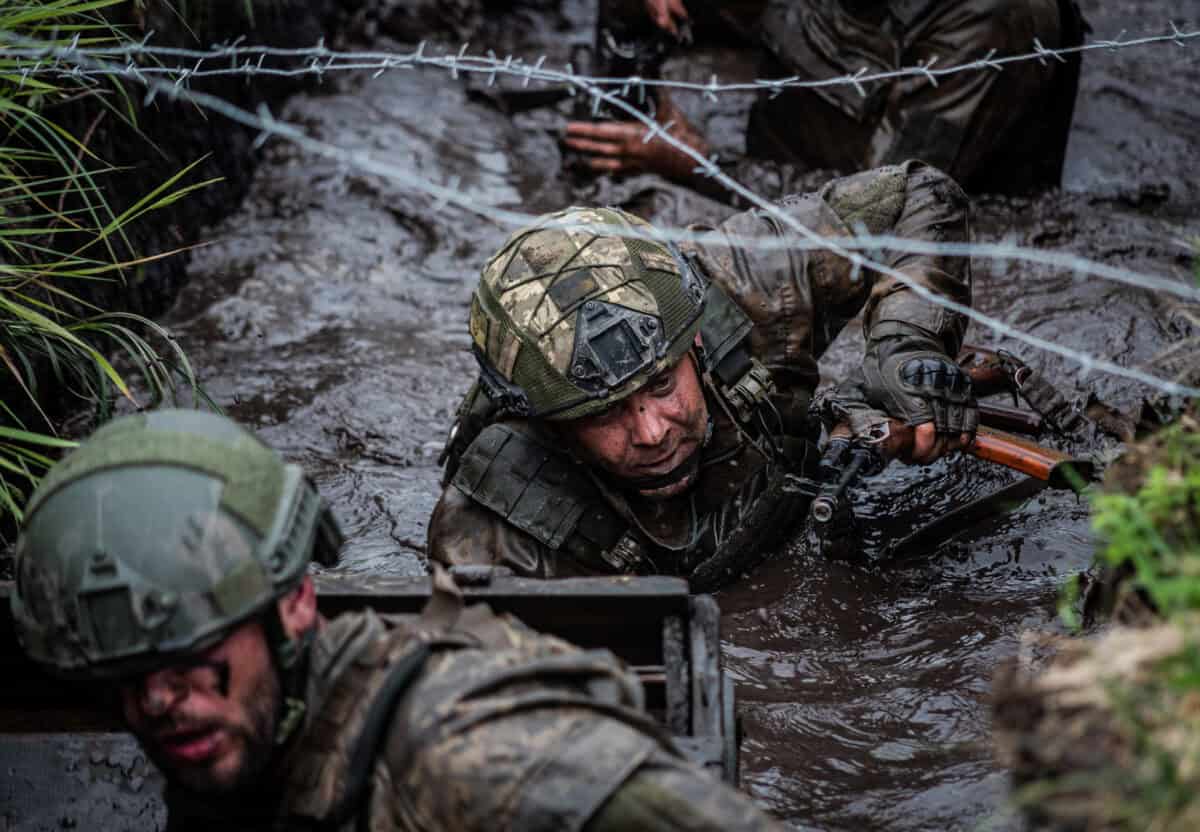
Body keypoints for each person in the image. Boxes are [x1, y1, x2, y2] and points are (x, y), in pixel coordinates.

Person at [10, 408, 783, 831]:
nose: (156, 701)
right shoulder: (247, 727)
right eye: (122, 673)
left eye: (186, 653)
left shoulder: (475, 755)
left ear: (295, 604)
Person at [428, 161, 977, 587]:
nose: (653, 432)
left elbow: (919, 192)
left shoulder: (747, 280)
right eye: (603, 413)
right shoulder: (488, 534)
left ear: (694, 339)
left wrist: (906, 347)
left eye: (662, 385)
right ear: (546, 423)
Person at [563, 0, 1085, 196]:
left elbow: (881, 211)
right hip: (786, 148)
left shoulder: (990, 18)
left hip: (908, 232)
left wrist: (702, 164)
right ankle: (615, 130)